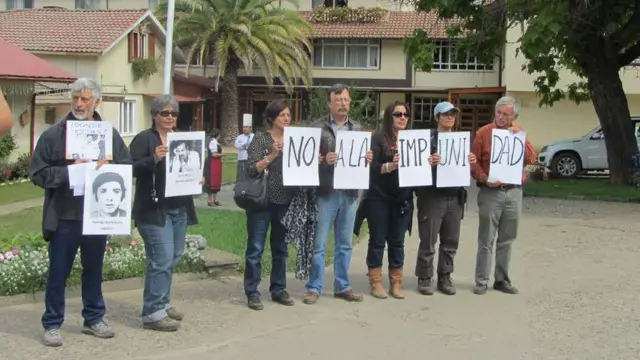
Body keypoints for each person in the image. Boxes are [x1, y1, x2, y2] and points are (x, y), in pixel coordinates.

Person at [27, 78, 131, 347]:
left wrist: (109, 166)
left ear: (97, 101)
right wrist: (69, 170)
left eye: (85, 99)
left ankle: (94, 318)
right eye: (75, 98)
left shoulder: (109, 134)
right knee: (58, 272)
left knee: (94, 270)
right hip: (64, 215)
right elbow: (36, 173)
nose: (79, 103)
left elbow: (125, 166)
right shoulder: (54, 135)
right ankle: (52, 323)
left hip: (97, 217)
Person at [129, 95, 199, 331]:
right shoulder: (144, 139)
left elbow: (189, 167)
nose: (170, 117)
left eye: (174, 113)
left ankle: (163, 302)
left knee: (173, 256)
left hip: (179, 208)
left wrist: (197, 176)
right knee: (161, 259)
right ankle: (153, 313)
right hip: (153, 210)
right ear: (154, 115)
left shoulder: (183, 140)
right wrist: (153, 159)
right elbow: (129, 168)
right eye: (165, 113)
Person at [303, 83, 373, 305]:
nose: (343, 104)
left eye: (346, 100)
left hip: (350, 194)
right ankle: (314, 287)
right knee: (319, 243)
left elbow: (360, 161)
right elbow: (306, 161)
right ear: (329, 103)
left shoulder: (358, 128)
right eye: (338, 100)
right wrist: (324, 161)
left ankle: (342, 286)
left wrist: (367, 158)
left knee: (345, 243)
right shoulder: (317, 128)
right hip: (327, 193)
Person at [470, 96, 537, 295]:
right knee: (486, 239)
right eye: (498, 113)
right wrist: (484, 178)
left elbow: (532, 157)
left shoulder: (517, 134)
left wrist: (522, 136)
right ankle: (481, 281)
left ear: (513, 116)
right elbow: (474, 163)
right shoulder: (483, 133)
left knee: (507, 239)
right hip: (491, 192)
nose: (500, 117)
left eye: (505, 114)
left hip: (514, 191)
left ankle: (502, 280)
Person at [415, 101, 477, 296]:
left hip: (454, 196)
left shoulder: (461, 141)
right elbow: (415, 166)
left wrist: (471, 161)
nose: (449, 117)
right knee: (428, 240)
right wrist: (430, 162)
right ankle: (425, 277)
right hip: (432, 195)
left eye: (452, 114)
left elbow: (465, 167)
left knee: (451, 240)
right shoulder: (427, 139)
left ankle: (445, 276)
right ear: (437, 117)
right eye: (445, 114)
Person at [243, 100, 297, 310]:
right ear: (272, 118)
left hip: (284, 200)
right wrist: (273, 154)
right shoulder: (260, 138)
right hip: (261, 202)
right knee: (255, 248)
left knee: (281, 248)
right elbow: (251, 168)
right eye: (282, 115)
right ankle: (252, 292)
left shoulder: (294, 139)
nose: (286, 118)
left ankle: (278, 289)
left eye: (288, 115)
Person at [365, 101, 414, 300]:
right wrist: (390, 166)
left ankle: (396, 282)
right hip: (379, 196)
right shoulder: (377, 139)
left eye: (405, 114)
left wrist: (428, 163)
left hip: (402, 197)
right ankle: (375, 281)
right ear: (389, 116)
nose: (402, 117)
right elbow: (371, 168)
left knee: (397, 241)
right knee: (377, 239)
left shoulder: (414, 140)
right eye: (397, 114)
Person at [203, 128, 223, 206]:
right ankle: (209, 201)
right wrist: (222, 154)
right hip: (212, 163)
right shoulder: (213, 142)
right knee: (210, 180)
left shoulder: (216, 142)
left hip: (217, 163)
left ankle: (215, 200)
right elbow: (214, 154)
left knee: (216, 180)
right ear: (218, 135)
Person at [235, 114, 254, 180]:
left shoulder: (254, 137)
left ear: (250, 128)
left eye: (246, 127)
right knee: (241, 175)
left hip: (251, 160)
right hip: (241, 159)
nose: (244, 128)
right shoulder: (239, 137)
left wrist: (243, 145)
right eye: (244, 127)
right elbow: (237, 145)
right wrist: (245, 145)